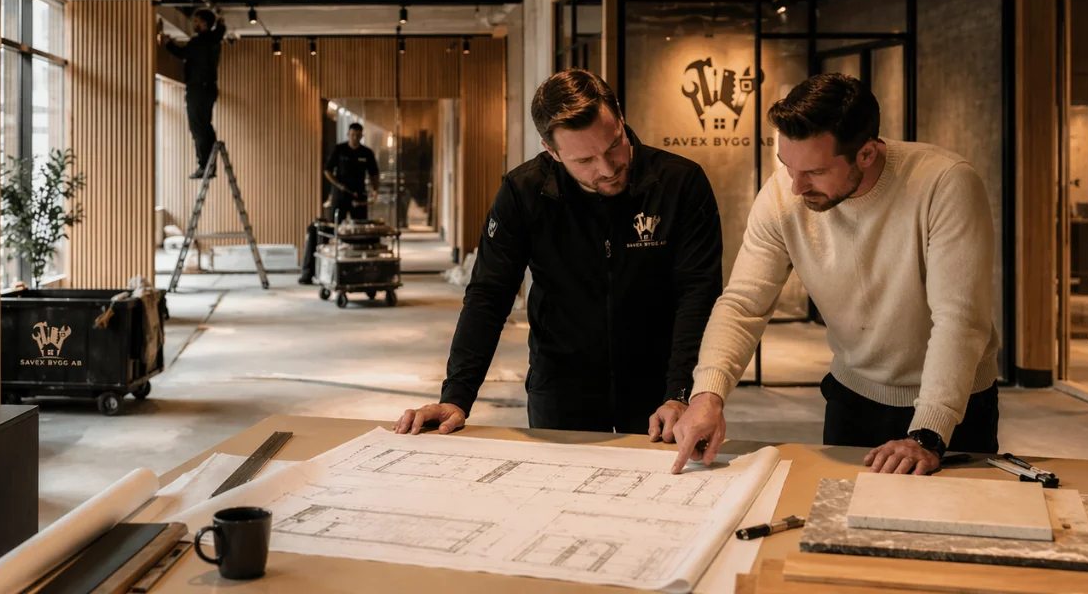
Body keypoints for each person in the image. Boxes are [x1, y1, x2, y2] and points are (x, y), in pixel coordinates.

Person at [669, 73, 999, 476]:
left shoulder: (944, 184)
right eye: (787, 166)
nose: (795, 187)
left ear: (866, 153)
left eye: (816, 172)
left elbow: (959, 319)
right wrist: (708, 394)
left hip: (954, 404)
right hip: (854, 396)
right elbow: (742, 304)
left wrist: (929, 431)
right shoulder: (782, 198)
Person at [395, 69, 723, 436]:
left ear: (620, 118)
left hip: (659, 388)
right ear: (551, 151)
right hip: (561, 384)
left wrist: (681, 392)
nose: (608, 168)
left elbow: (699, 293)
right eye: (584, 161)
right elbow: (489, 295)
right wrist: (456, 395)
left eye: (614, 144)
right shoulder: (524, 192)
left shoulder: (681, 183)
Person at [162, 9, 226, 178]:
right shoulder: (214, 39)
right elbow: (219, 30)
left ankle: (205, 165)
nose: (193, 24)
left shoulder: (199, 42)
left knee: (198, 127)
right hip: (209, 88)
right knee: (205, 125)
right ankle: (209, 163)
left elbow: (183, 54)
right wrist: (220, 23)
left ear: (204, 23)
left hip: (197, 88)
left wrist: (168, 44)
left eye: (196, 21)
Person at [323, 123, 380, 222]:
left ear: (361, 136)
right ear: (348, 134)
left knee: (360, 225)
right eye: (353, 134)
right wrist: (338, 184)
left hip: (359, 194)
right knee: (335, 225)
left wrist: (375, 190)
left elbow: (374, 174)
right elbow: (327, 170)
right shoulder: (339, 149)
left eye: (358, 135)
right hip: (341, 193)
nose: (355, 137)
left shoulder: (367, 152)